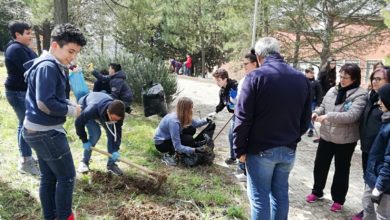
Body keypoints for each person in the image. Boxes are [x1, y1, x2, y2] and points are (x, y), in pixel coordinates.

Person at [233, 37, 312, 220]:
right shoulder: (301, 78)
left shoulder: (255, 77)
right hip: (288, 149)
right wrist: (292, 138)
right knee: (280, 195)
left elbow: (243, 118)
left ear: (259, 56)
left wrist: (239, 149)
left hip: (261, 150)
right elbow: (305, 118)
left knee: (260, 198)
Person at [22, 23, 86, 220]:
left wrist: (69, 103)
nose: (72, 57)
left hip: (36, 131)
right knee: (67, 177)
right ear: (55, 45)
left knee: (49, 177)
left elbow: (54, 96)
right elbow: (45, 102)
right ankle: (64, 216)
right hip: (45, 133)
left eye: (76, 53)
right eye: (70, 51)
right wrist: (71, 111)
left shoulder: (50, 64)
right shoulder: (48, 66)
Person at [306, 63, 367, 212]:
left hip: (345, 140)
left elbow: (352, 116)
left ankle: (338, 199)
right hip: (326, 136)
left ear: (354, 79)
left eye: (346, 77)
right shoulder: (333, 90)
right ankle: (317, 191)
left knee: (341, 170)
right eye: (341, 76)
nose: (342, 80)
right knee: (320, 165)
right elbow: (323, 106)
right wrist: (316, 112)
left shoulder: (360, 94)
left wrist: (328, 116)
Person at [352, 67, 390, 220]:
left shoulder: (385, 100)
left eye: (379, 79)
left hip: (382, 155)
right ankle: (368, 208)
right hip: (370, 149)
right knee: (368, 186)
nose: (374, 81)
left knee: (380, 203)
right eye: (373, 78)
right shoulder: (372, 96)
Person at [4, 21, 39, 175]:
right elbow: (32, 68)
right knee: (27, 125)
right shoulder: (15, 49)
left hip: (22, 92)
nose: (30, 36)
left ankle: (27, 156)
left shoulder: (22, 47)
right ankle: (26, 161)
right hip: (18, 93)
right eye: (27, 33)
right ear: (17, 34)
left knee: (23, 123)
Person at [154, 97, 215, 166]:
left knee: (191, 129)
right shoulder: (174, 122)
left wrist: (207, 119)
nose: (192, 110)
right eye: (191, 108)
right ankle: (169, 153)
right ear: (185, 109)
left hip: (169, 137)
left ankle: (187, 146)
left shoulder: (181, 114)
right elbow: (177, 146)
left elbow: (196, 124)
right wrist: (195, 150)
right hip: (162, 144)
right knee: (188, 139)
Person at [75, 92, 126, 176]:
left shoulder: (118, 115)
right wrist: (84, 140)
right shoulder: (90, 110)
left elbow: (117, 134)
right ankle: (84, 161)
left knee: (111, 135)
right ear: (108, 112)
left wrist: (115, 149)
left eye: (116, 120)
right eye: (113, 118)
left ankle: (111, 165)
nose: (114, 121)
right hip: (86, 104)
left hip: (101, 107)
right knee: (95, 134)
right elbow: (78, 123)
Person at [362, 84, 390, 220]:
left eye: (382, 99)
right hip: (373, 177)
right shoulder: (386, 119)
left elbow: (389, 162)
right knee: (367, 207)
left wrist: (379, 187)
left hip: (384, 185)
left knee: (382, 215)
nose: (379, 103)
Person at [234, 49, 259, 182]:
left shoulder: (255, 79)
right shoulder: (245, 79)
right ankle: (242, 166)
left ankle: (244, 169)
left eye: (245, 64)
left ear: (255, 63)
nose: (243, 66)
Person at [210, 68, 238, 165]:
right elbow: (222, 104)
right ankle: (233, 157)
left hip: (242, 115)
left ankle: (241, 161)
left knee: (237, 136)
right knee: (231, 135)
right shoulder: (222, 91)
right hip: (234, 115)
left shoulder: (235, 86)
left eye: (218, 80)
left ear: (225, 79)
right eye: (216, 80)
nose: (217, 82)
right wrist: (215, 112)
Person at [305, 67, 323, 137]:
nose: (312, 74)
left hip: (312, 102)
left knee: (310, 116)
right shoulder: (303, 81)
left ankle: (311, 129)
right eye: (310, 73)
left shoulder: (316, 83)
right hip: (304, 101)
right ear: (306, 73)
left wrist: (318, 102)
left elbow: (319, 93)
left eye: (313, 73)